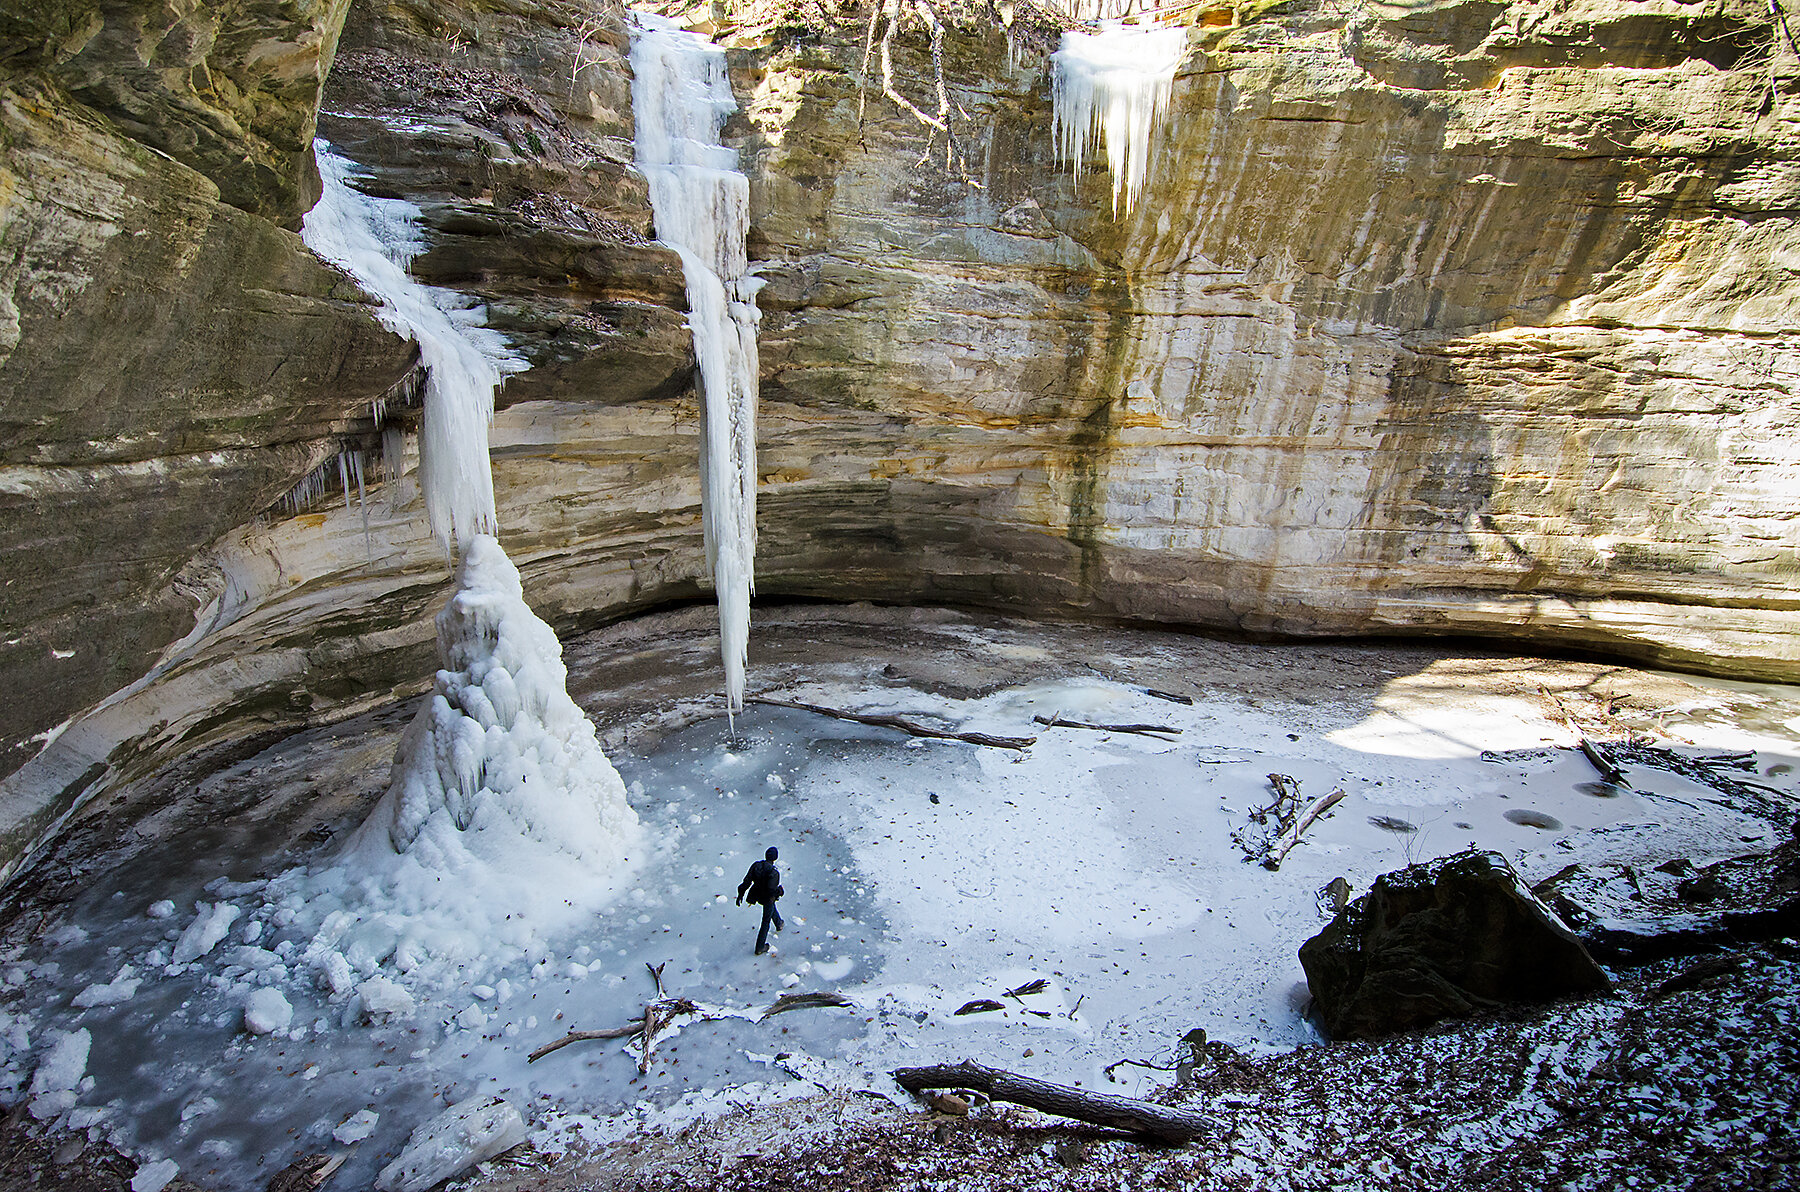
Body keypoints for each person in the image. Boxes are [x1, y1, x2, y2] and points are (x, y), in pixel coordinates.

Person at [736, 846, 784, 955]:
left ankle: (779, 923)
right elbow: (771, 890)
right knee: (765, 921)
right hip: (767, 898)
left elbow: (747, 881)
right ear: (775, 858)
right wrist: (780, 891)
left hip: (757, 894)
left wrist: (741, 894)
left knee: (772, 908)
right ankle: (760, 947)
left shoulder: (756, 865)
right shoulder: (774, 873)